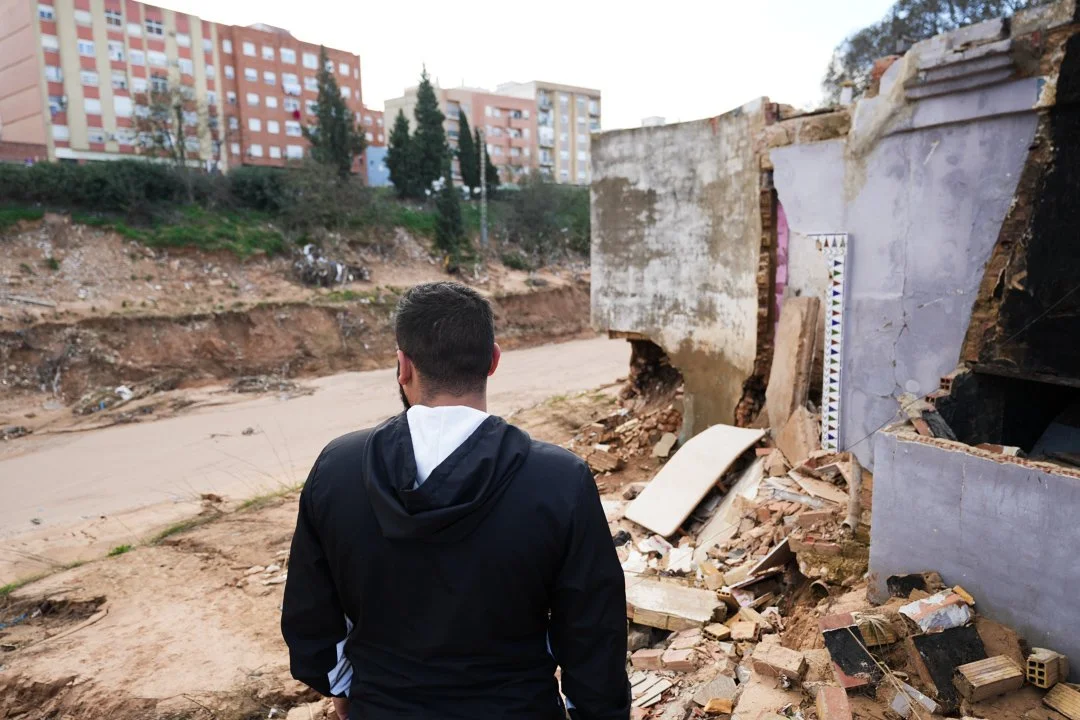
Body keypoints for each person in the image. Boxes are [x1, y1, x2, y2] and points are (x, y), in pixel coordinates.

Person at [281, 281, 630, 720]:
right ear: (493, 361)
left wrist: (343, 685)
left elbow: (311, 616)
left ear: (403, 366)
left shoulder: (337, 469)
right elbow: (593, 630)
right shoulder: (559, 480)